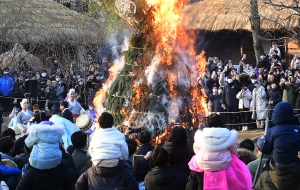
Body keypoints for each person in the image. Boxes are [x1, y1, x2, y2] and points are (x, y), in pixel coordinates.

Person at [185, 113, 252, 190]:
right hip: (225, 164)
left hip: (203, 163)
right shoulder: (228, 135)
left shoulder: (201, 135)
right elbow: (233, 151)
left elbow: (196, 149)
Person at [75, 112, 138, 190]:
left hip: (97, 165)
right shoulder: (119, 135)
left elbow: (91, 151)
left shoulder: (95, 136)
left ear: (100, 124)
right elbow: (125, 154)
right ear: (113, 123)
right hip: (116, 164)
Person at [255, 102, 300, 189]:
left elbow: (265, 149)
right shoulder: (297, 130)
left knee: (263, 175)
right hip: (293, 164)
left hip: (276, 167)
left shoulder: (272, 131)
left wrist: (260, 140)